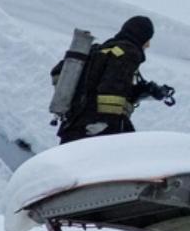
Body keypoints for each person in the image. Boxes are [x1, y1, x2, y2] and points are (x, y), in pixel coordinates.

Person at [56, 15, 175, 143]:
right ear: (140, 36)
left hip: (74, 124)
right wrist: (106, 122)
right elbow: (111, 88)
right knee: (132, 156)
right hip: (97, 128)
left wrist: (147, 90)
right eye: (147, 39)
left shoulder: (102, 49)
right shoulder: (128, 52)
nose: (148, 45)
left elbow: (59, 72)